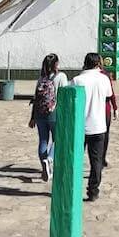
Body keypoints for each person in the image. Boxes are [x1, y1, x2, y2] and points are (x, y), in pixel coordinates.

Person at [73, 52, 112, 202]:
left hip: (80, 126)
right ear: (98, 64)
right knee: (96, 161)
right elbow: (108, 95)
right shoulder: (104, 79)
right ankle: (93, 190)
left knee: (76, 159)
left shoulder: (77, 80)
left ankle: (74, 188)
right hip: (98, 126)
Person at [28, 53, 68, 181]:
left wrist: (32, 117)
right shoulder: (61, 77)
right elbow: (64, 97)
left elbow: (35, 98)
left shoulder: (41, 79)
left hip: (40, 114)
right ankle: (50, 159)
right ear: (56, 64)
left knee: (43, 141)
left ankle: (44, 166)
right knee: (58, 139)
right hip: (54, 113)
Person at [100, 66, 118, 168]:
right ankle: (102, 159)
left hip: (88, 111)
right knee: (104, 136)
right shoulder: (105, 76)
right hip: (104, 110)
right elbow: (111, 94)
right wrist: (115, 107)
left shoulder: (81, 77)